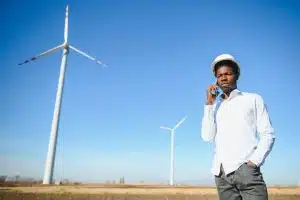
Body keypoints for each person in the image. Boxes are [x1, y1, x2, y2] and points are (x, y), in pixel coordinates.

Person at [201, 54, 275, 200]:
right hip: (221, 174)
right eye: (219, 75)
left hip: (246, 171)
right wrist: (209, 104)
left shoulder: (253, 99)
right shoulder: (216, 107)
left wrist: (254, 162)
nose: (223, 78)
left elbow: (268, 134)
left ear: (237, 75)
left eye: (228, 73)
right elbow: (207, 136)